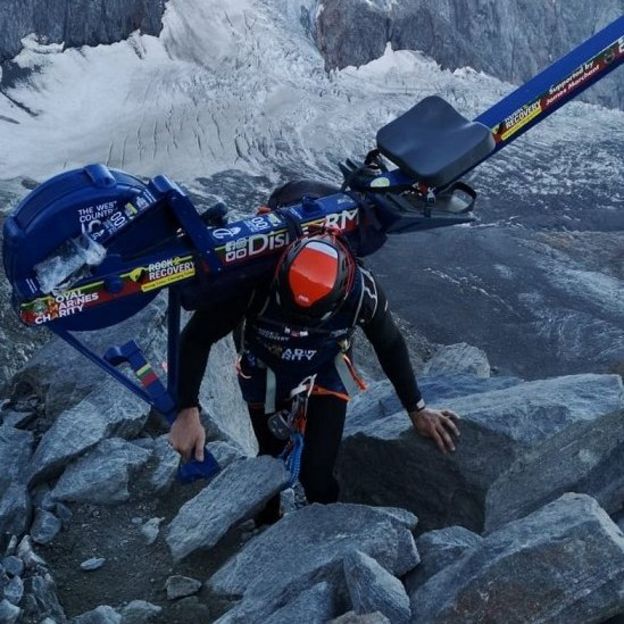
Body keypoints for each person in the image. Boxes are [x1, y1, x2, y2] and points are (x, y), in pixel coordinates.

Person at [169, 192, 460, 524]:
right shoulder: (252, 281)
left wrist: (417, 409)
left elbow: (390, 345)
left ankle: (319, 540)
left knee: (318, 477)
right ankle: (268, 524)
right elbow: (195, 338)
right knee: (268, 461)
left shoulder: (362, 294)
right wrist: (187, 410)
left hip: (321, 372)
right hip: (267, 372)